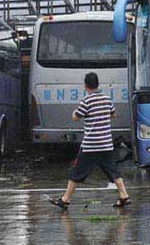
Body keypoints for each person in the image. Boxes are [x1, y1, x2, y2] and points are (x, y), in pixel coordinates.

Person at [49, 72, 131, 210]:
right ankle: (124, 195)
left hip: (90, 146)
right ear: (98, 84)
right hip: (106, 144)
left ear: (85, 86)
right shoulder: (107, 99)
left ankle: (65, 199)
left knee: (76, 171)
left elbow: (76, 117)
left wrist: (74, 112)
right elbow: (114, 115)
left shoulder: (86, 101)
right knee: (113, 170)